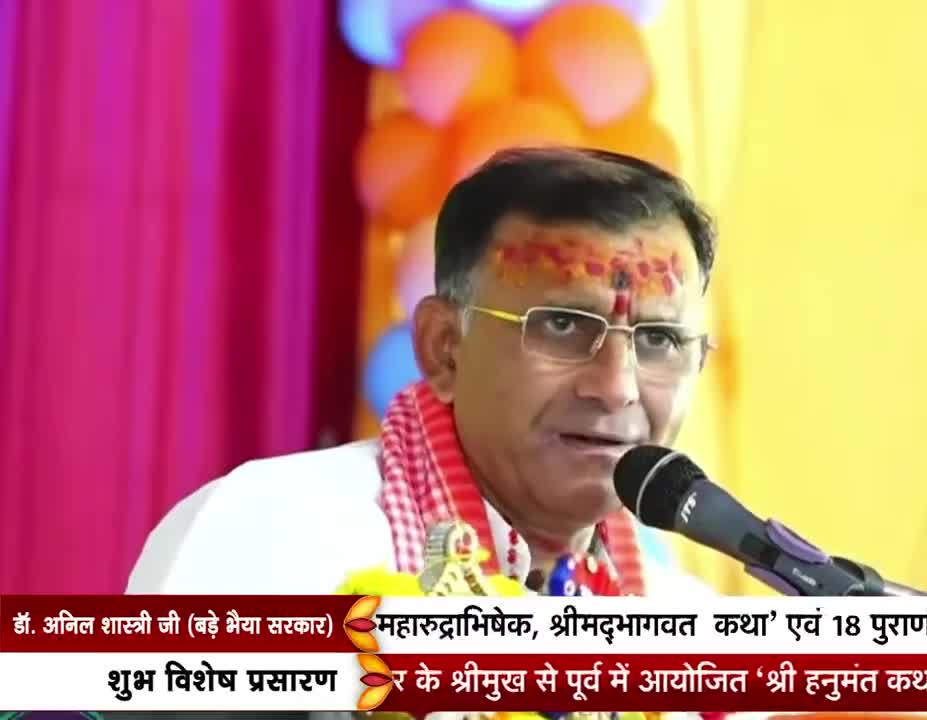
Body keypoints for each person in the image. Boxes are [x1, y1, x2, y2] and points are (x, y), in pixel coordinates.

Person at [127, 147, 718, 597]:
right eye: (562, 325)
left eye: (660, 339)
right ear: (444, 347)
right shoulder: (269, 541)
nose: (616, 387)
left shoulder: (691, 637)